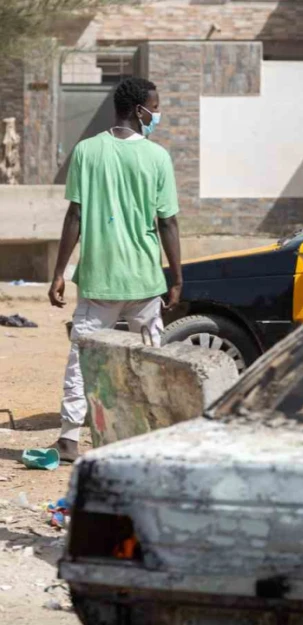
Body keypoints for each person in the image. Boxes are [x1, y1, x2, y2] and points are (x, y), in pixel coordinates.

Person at [48, 77, 182, 462]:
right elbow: (168, 223)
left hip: (98, 280)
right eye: (154, 107)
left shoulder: (87, 152)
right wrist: (176, 276)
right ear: (139, 110)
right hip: (143, 279)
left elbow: (75, 215)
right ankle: (155, 434)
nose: (157, 114)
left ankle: (70, 439)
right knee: (152, 357)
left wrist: (60, 272)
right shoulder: (157, 158)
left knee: (82, 358)